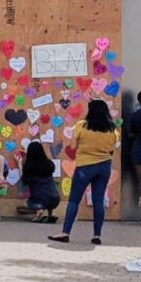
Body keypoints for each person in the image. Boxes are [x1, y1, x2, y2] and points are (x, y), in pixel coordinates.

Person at [49, 99, 120, 245]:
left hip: (84, 166)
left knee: (74, 200)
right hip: (104, 166)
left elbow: (73, 146)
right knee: (98, 200)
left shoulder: (81, 125)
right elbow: (112, 148)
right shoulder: (112, 129)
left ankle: (65, 232)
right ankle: (97, 235)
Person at [16, 141, 60, 223]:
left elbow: (24, 181)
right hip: (55, 199)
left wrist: (19, 163)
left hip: (39, 199)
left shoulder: (29, 167)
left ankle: (39, 209)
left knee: (27, 203)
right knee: (48, 195)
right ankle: (50, 213)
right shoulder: (49, 164)